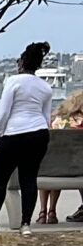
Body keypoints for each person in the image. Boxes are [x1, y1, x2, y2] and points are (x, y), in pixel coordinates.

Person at [0, 40, 56, 228]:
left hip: (14, 133)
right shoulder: (45, 87)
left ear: (22, 63)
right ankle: (26, 225)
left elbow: (3, 113)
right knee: (29, 179)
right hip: (38, 134)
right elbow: (46, 117)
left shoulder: (13, 81)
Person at [38, 80, 83, 224]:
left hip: (52, 169)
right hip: (78, 169)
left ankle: (44, 211)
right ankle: (51, 211)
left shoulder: (56, 121)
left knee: (52, 164)